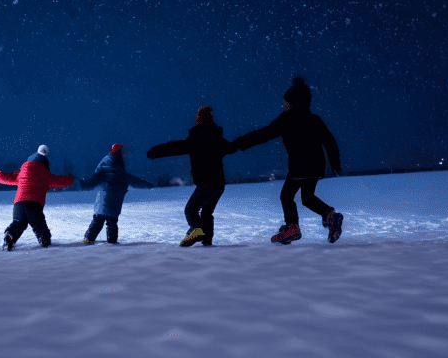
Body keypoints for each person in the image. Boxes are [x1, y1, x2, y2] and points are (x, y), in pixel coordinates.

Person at [232, 77, 344, 244]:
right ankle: (331, 216)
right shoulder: (315, 120)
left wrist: (238, 144)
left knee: (286, 196)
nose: (284, 106)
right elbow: (330, 141)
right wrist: (335, 164)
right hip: (316, 167)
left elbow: (263, 134)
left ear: (293, 103)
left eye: (286, 104)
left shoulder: (285, 120)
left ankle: (292, 227)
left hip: (299, 167)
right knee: (307, 197)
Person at [147, 106, 235, 247]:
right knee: (207, 212)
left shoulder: (197, 138)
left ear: (199, 120)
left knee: (191, 210)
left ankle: (196, 230)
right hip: (218, 184)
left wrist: (155, 151)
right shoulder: (218, 138)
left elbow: (176, 147)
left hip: (206, 182)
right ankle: (207, 239)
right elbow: (230, 148)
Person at [0, 145, 75, 250]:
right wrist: (72, 179)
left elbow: (4, 178)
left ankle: (9, 236)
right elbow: (61, 181)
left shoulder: (21, 174)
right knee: (39, 225)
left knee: (18, 223)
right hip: (35, 204)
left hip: (19, 203)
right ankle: (44, 239)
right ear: (44, 165)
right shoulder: (46, 176)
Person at [80, 144, 154, 244]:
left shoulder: (105, 164)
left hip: (104, 198)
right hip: (116, 201)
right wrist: (147, 185)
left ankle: (89, 239)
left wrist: (85, 184)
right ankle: (112, 242)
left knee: (98, 220)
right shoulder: (120, 168)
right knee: (112, 222)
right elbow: (134, 180)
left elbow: (95, 178)